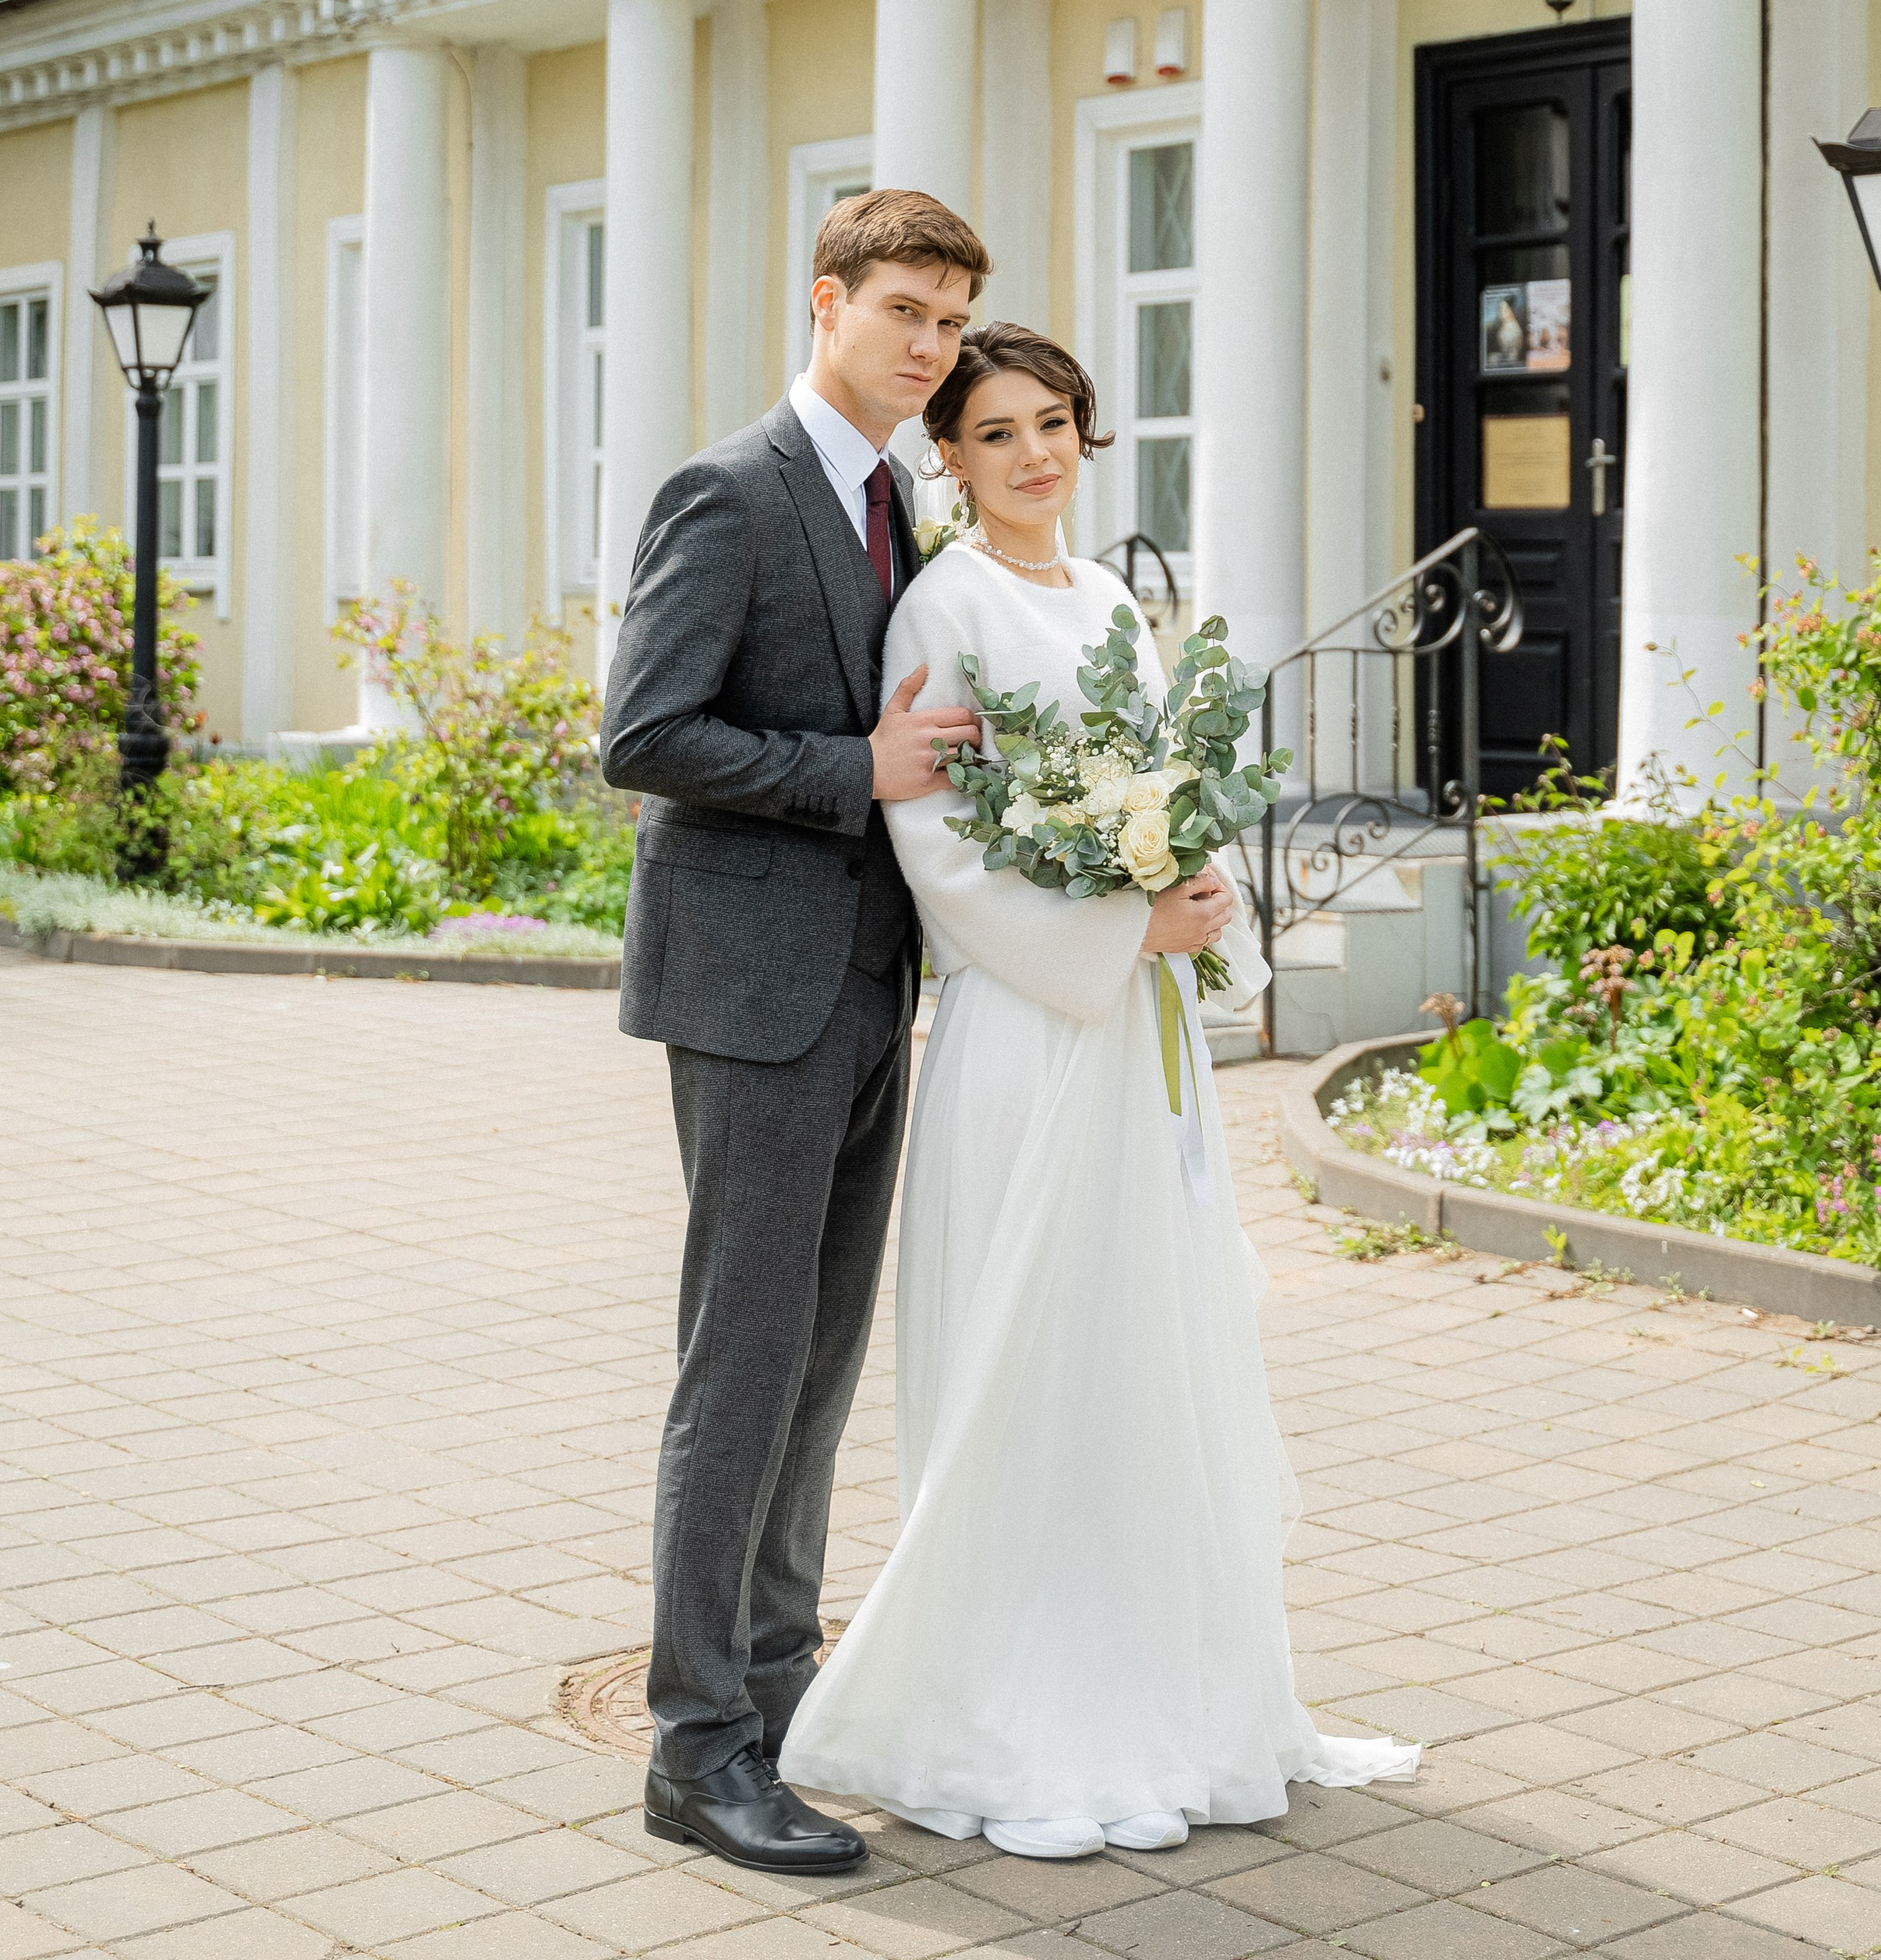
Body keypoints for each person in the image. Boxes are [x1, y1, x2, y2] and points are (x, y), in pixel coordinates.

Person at [781, 324, 1420, 1858]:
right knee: (1034, 1346)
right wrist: (1116, 926)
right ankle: (1017, 1708)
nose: (1034, 454)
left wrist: (1189, 904)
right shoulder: (942, 601)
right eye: (995, 432)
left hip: (1139, 1043)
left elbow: (1167, 785)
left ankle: (1174, 1697)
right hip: (1026, 1028)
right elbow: (936, 839)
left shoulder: (1119, 606)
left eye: (1054, 422)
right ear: (950, 455)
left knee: (1146, 1343)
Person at [601, 189, 991, 1877]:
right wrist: (859, 774)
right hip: (749, 989)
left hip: (864, 981)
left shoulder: (904, 500)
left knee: (819, 1371)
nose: (929, 346)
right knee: (742, 1368)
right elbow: (645, 731)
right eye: (903, 310)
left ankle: (774, 1692)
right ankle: (695, 1750)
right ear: (824, 302)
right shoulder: (731, 491)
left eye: (951, 321)